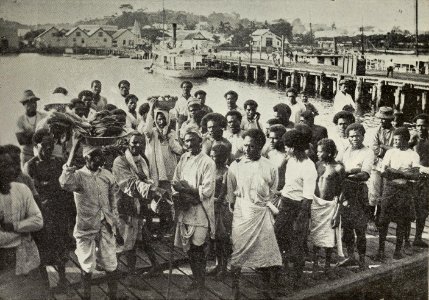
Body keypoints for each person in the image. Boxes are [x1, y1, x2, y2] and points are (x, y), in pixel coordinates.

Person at [59, 138, 122, 300]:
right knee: (87, 266)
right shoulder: (78, 176)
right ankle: (86, 297)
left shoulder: (107, 175)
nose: (100, 160)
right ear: (86, 158)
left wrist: (116, 225)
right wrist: (74, 148)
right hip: (86, 227)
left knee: (110, 262)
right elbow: (64, 182)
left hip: (106, 225)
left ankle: (113, 297)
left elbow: (113, 202)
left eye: (101, 156)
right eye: (95, 157)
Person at [226, 129, 282, 299]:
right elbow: (231, 193)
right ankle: (235, 290)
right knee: (238, 251)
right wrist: (236, 207)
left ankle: (264, 290)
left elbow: (273, 191)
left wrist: (264, 205)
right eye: (245, 146)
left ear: (260, 146)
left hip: (262, 214)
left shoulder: (270, 166)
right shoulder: (235, 166)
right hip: (242, 213)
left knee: (264, 252)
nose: (247, 149)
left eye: (252, 146)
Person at [112, 133, 168, 281]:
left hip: (139, 204)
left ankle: (153, 266)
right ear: (128, 144)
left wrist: (153, 191)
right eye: (134, 143)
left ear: (144, 145)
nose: (136, 146)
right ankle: (124, 273)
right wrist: (153, 190)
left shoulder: (143, 161)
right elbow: (129, 184)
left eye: (140, 143)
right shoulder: (120, 162)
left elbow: (148, 180)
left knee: (142, 236)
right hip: (124, 204)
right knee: (126, 241)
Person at [172, 129, 216, 299]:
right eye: (186, 141)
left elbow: (207, 190)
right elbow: (175, 180)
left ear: (200, 141)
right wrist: (180, 192)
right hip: (185, 209)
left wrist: (186, 189)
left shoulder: (207, 162)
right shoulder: (183, 158)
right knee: (189, 248)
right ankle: (196, 279)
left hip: (201, 211)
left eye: (192, 140)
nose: (189, 144)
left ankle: (201, 282)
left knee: (198, 247)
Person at [23, 129, 70, 290]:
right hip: (41, 213)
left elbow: (64, 187)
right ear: (37, 146)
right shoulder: (30, 166)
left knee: (61, 247)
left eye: (51, 145)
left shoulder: (58, 162)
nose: (49, 148)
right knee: (42, 251)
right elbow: (33, 191)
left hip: (58, 212)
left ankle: (63, 281)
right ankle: (45, 286)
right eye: (45, 145)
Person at [274, 129, 317, 284]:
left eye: (288, 146)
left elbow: (308, 197)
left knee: (297, 241)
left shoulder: (308, 166)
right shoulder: (290, 160)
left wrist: (301, 219)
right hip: (286, 203)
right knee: (278, 234)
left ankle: (297, 276)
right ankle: (283, 267)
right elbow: (286, 180)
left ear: (295, 147)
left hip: (300, 206)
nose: (285, 148)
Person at [376, 127, 420, 261]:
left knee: (402, 221)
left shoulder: (413, 155)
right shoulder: (390, 153)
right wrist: (403, 175)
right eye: (394, 139)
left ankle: (397, 250)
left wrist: (397, 172)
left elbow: (416, 175)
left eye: (398, 139)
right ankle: (381, 250)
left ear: (406, 140)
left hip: (404, 191)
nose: (395, 142)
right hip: (390, 189)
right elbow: (383, 172)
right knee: (383, 221)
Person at [0, 146, 44, 276]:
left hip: (25, 252)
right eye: (5, 166)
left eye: (12, 164)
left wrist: (13, 226)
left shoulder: (22, 187)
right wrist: (23, 231)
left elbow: (38, 220)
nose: (12, 169)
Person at [336, 123, 373, 270]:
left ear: (363, 136)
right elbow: (337, 165)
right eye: (351, 136)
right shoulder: (345, 150)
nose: (355, 138)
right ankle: (351, 256)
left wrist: (347, 172)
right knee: (347, 227)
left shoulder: (368, 152)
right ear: (348, 137)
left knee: (360, 227)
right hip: (346, 191)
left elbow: (365, 174)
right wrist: (348, 172)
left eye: (357, 135)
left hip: (359, 192)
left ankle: (362, 260)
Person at [142, 102, 183, 235]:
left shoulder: (171, 133)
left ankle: (166, 227)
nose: (161, 121)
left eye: (163, 118)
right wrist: (151, 110)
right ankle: (151, 228)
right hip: (154, 172)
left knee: (167, 198)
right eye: (158, 119)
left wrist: (171, 140)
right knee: (152, 197)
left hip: (168, 172)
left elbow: (178, 150)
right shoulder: (152, 133)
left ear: (167, 119)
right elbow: (146, 130)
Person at [310, 139, 345, 274]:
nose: (318, 154)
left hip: (330, 205)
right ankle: (314, 264)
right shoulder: (317, 165)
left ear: (330, 153)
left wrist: (337, 212)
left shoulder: (338, 168)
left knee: (329, 238)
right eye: (317, 151)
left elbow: (342, 191)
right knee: (315, 235)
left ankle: (327, 265)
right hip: (316, 203)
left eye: (321, 151)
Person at [207, 144, 232, 279]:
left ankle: (224, 267)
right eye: (210, 156)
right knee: (214, 238)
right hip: (210, 205)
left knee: (223, 238)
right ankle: (217, 264)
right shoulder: (210, 169)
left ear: (222, 158)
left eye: (215, 156)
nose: (212, 158)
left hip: (221, 208)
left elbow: (223, 194)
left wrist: (210, 199)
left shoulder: (226, 172)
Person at [368, 106, 395, 227]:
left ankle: (379, 218)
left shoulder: (395, 132)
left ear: (390, 120)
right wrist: (386, 149)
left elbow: (396, 150)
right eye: (381, 119)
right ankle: (369, 219)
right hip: (377, 164)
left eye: (385, 119)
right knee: (374, 191)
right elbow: (374, 148)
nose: (382, 121)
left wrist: (383, 147)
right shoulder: (375, 131)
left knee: (384, 192)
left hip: (389, 166)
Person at [409, 113, 429, 247]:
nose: (421, 128)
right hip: (414, 178)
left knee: (424, 209)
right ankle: (405, 239)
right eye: (418, 126)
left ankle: (417, 237)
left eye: (423, 125)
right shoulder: (412, 140)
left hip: (427, 178)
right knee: (410, 208)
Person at [15, 90, 46, 165]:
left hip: (42, 155)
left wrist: (29, 134)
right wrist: (38, 134)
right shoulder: (20, 120)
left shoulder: (43, 117)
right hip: (27, 155)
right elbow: (21, 140)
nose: (33, 104)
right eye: (29, 102)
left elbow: (48, 135)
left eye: (34, 102)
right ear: (24, 104)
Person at [266, 124, 288, 190]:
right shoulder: (270, 154)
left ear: (282, 139)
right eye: (270, 138)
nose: (271, 141)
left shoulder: (288, 157)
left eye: (274, 138)